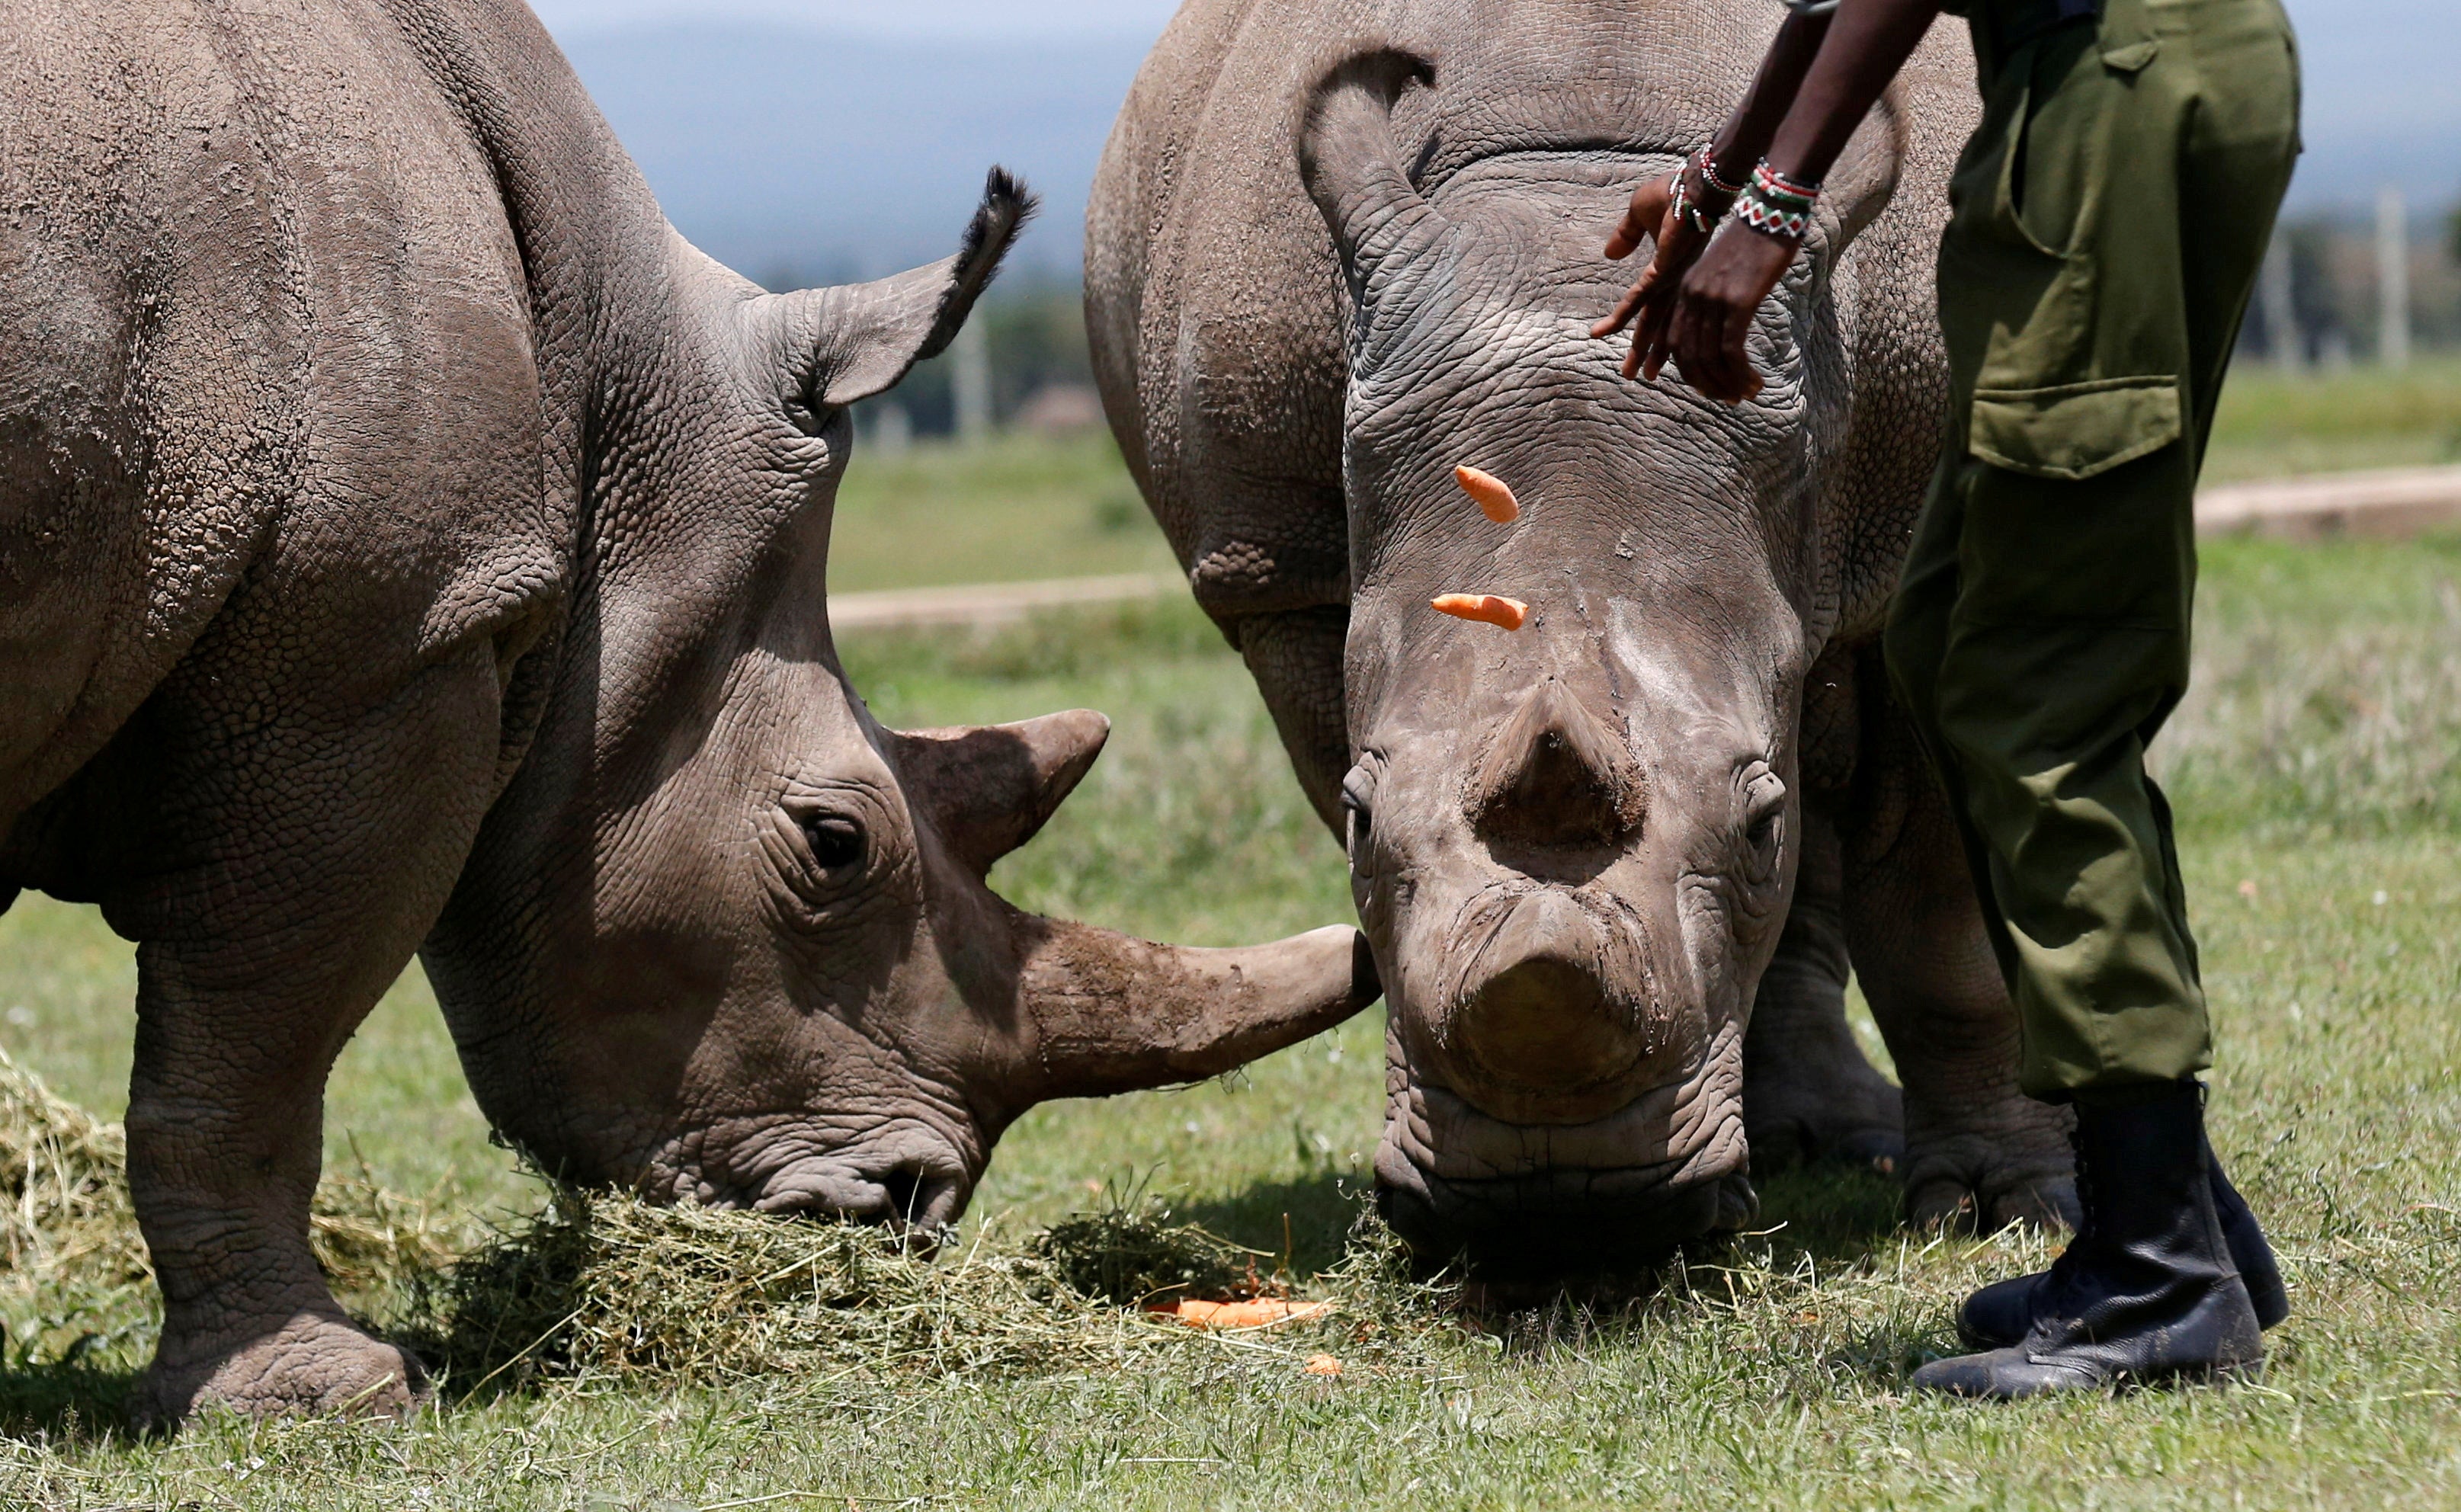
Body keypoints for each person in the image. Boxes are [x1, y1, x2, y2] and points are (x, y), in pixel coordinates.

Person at [1593, 0, 2301, 1398]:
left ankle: (2157, 1278)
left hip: (2109, 87)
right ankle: (2175, 1221)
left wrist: (1773, 207)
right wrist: (1714, 181)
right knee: (1947, 644)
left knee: (2036, 693)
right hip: (2072, 95)